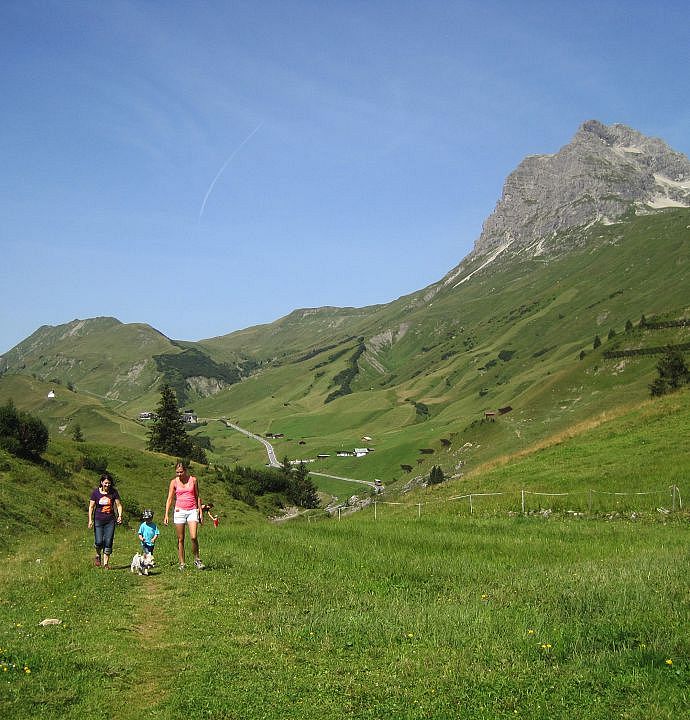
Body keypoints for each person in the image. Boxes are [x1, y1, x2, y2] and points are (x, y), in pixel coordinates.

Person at [164, 462, 205, 570]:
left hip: (192, 510)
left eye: (181, 472)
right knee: (180, 538)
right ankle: (182, 563)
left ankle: (197, 559)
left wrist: (200, 511)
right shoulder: (173, 482)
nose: (179, 474)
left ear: (185, 471)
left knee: (193, 536)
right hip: (179, 511)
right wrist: (166, 514)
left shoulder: (193, 480)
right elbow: (170, 498)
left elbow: (197, 496)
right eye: (177, 472)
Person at [88, 472, 123, 569]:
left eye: (109, 483)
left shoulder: (114, 492)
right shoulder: (95, 493)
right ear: (101, 482)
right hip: (98, 520)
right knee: (99, 541)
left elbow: (119, 505)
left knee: (108, 540)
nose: (107, 485)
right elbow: (91, 507)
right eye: (105, 483)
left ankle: (106, 564)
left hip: (110, 520)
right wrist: (90, 520)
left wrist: (119, 516)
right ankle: (97, 555)